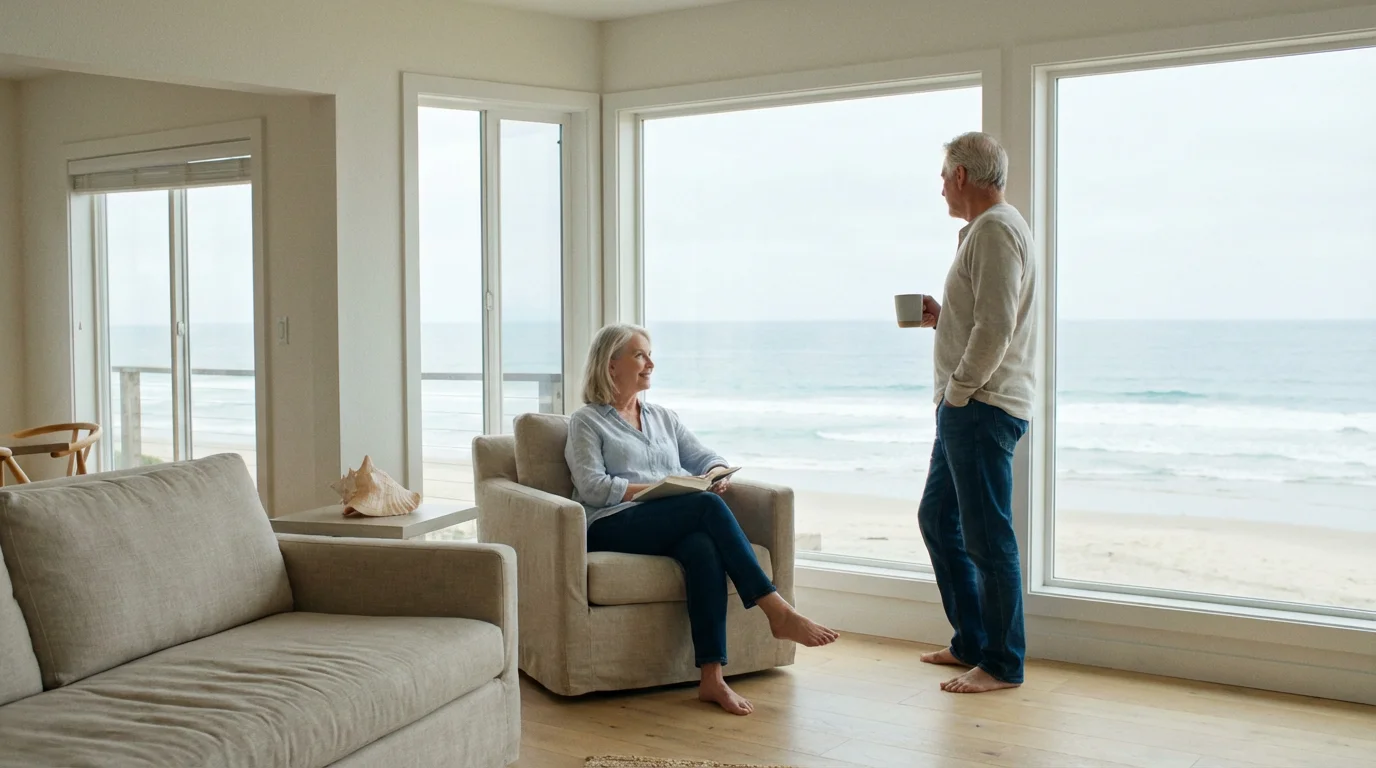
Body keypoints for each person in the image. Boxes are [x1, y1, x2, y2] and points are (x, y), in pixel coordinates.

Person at [565, 323, 839, 715]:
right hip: (612, 524)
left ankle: (712, 678)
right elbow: (592, 487)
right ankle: (777, 611)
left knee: (703, 548)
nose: (651, 363)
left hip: (667, 520)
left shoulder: (663, 417)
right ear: (611, 366)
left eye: (649, 354)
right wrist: (654, 489)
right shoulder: (587, 421)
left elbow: (705, 456)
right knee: (706, 508)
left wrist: (717, 472)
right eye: (640, 355)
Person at [915, 132, 1038, 694]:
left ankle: (1002, 663)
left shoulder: (994, 230)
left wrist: (959, 392)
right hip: (967, 406)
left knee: (988, 540)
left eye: (944, 176)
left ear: (962, 175)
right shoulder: (986, 233)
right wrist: (945, 318)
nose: (940, 186)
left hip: (979, 407)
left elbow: (997, 327)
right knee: (939, 519)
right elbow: (983, 318)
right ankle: (971, 640)